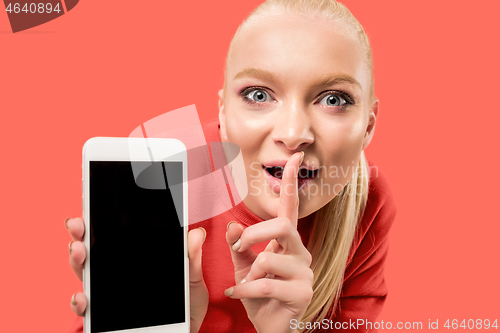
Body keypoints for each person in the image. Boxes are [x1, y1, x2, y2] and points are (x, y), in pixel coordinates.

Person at [66, 0, 397, 332]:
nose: (294, 134)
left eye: (333, 99)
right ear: (223, 112)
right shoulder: (156, 176)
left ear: (368, 127)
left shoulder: (367, 201)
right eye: (258, 95)